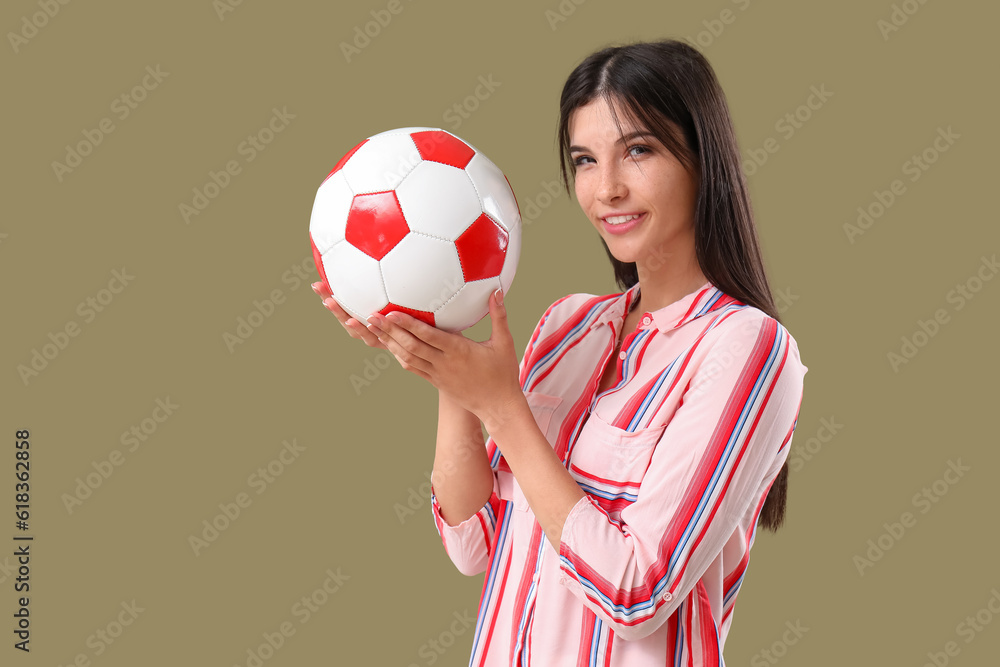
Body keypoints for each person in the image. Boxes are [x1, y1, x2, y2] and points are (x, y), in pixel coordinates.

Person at [315, 38, 808, 667]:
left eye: (638, 150)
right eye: (583, 160)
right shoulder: (566, 325)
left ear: (702, 159)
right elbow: (474, 542)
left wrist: (500, 405)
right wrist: (448, 348)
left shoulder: (746, 347)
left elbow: (638, 592)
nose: (606, 189)